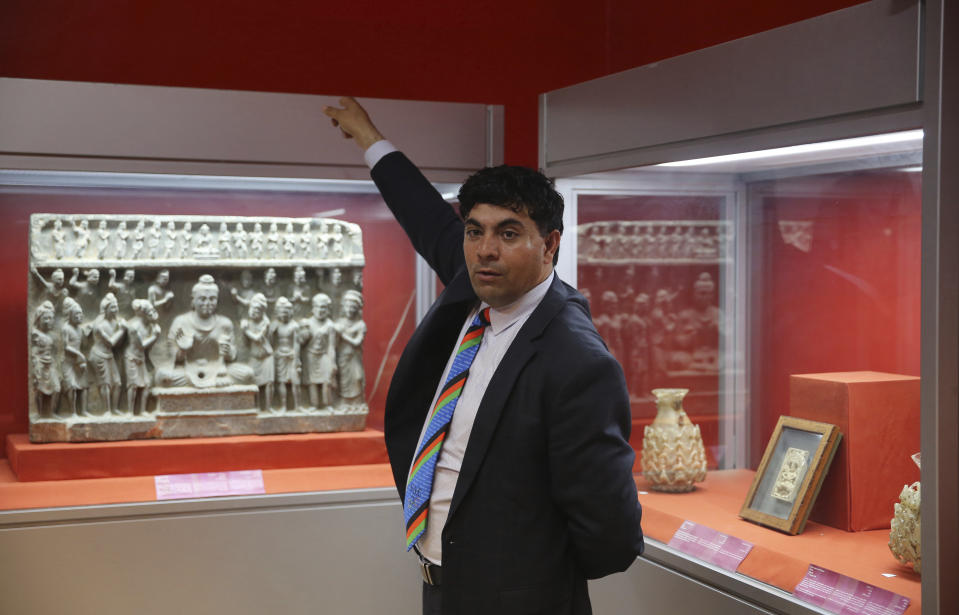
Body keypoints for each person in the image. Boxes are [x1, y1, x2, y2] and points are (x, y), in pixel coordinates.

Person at [323, 97, 642, 615]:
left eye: (508, 233)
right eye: (475, 231)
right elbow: (424, 214)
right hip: (443, 587)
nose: (484, 249)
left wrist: (530, 575)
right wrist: (368, 137)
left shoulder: (575, 360)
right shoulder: (477, 286)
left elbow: (610, 532)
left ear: (550, 245)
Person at [156, 274, 254, 388]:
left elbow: (232, 356)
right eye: (202, 299)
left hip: (219, 369)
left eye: (212, 299)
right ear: (193, 300)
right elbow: (173, 357)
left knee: (248, 375)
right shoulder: (181, 322)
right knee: (163, 376)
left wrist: (228, 352)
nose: (207, 303)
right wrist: (183, 349)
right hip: (189, 369)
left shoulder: (224, 323)